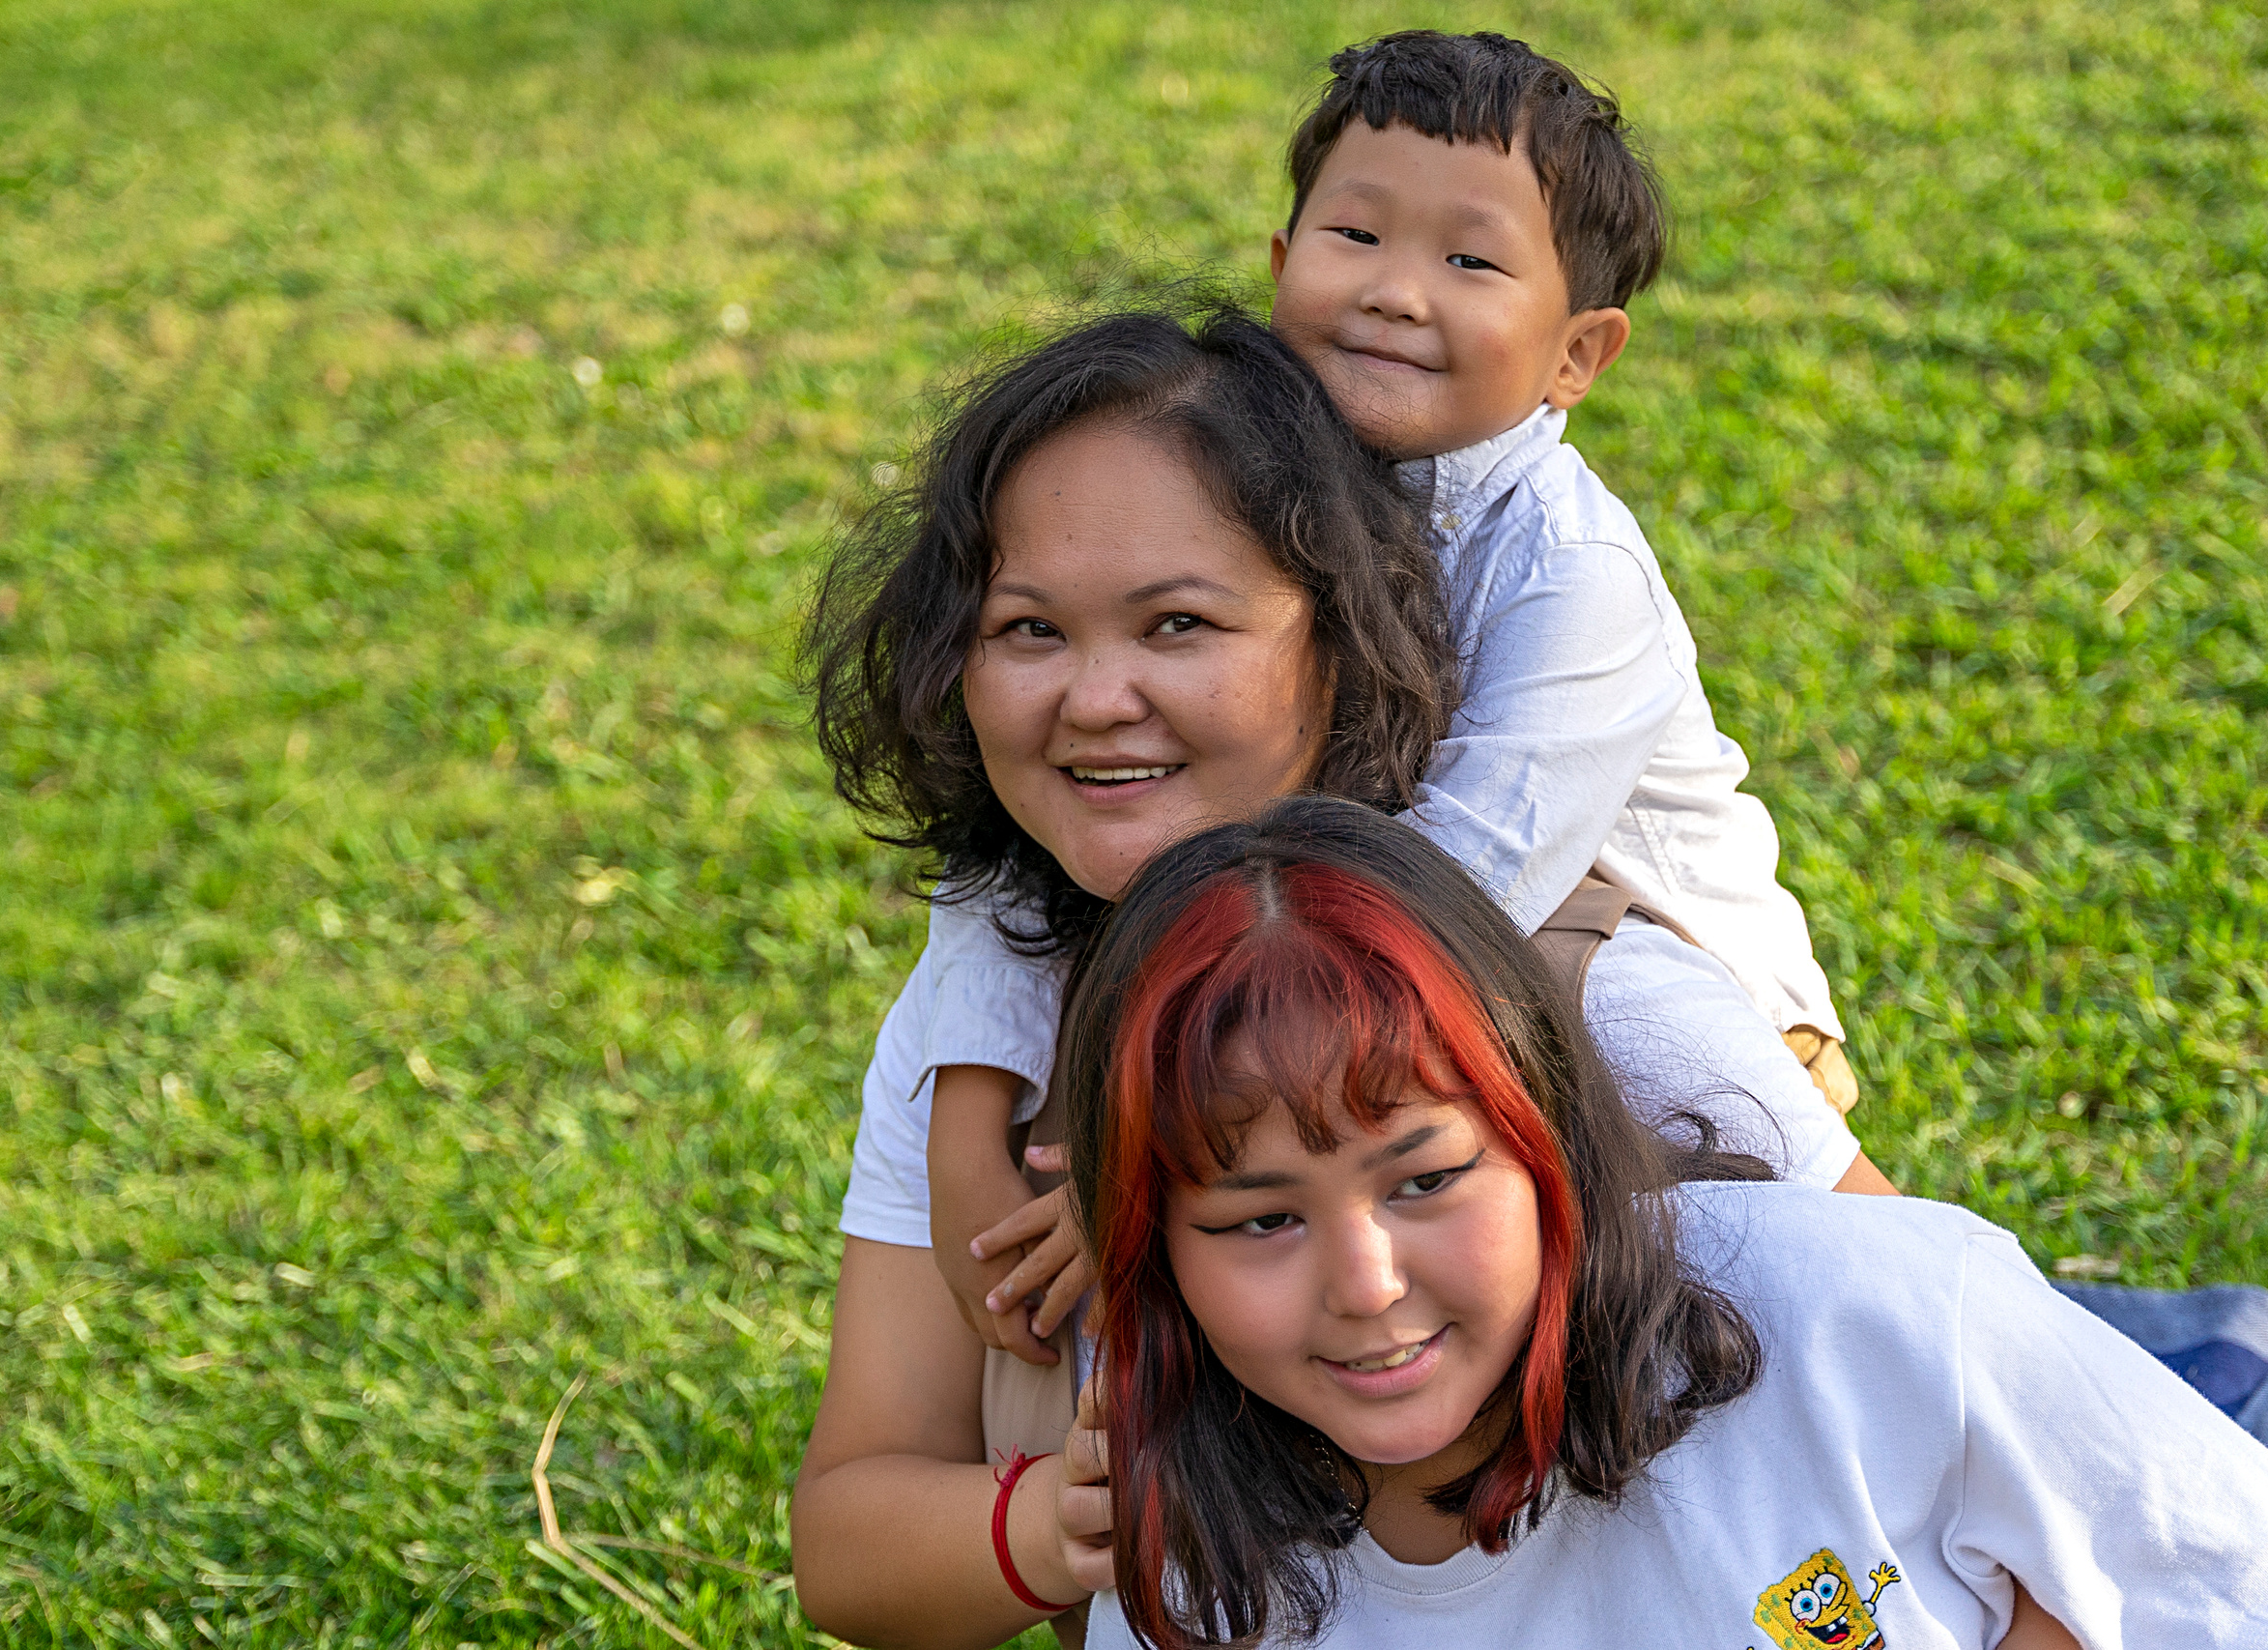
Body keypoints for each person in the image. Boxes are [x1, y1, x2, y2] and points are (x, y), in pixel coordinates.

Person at [791, 304, 1879, 1650]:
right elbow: (848, 1540)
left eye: (1179, 623)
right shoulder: (993, 1039)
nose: (1094, 697)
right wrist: (1066, 1516)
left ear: (1340, 631)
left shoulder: (1579, 993)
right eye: (1026, 631)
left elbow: (1921, 1352)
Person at [829, 26, 1880, 1378]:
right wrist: (975, 1082)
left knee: (1769, 1334)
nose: (1395, 293)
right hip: (1383, 962)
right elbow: (1013, 833)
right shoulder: (1245, 482)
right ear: (1280, 268)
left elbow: (1468, 871)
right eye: (1356, 238)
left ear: (1577, 356)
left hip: (1636, 1001)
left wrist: (1153, 1158)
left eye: (1471, 262)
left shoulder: (1578, 574)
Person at [1041, 797, 2268, 1650]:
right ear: (1154, 1261)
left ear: (1548, 1144)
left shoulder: (1874, 1306)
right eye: (1261, 1220)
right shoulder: (1201, 1573)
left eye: (1424, 1178)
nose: (1365, 1281)